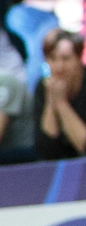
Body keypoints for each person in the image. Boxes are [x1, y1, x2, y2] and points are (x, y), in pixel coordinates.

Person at [8, 0, 85, 90]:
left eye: (76, 0)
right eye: (64, 0)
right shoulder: (42, 30)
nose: (70, 5)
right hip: (41, 95)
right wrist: (47, 3)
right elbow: (14, 16)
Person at [34, 28, 86, 159]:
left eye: (66, 59)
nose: (59, 66)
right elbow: (46, 150)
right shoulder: (43, 87)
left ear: (79, 58)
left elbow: (84, 145)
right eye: (52, 58)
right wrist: (52, 102)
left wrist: (62, 104)